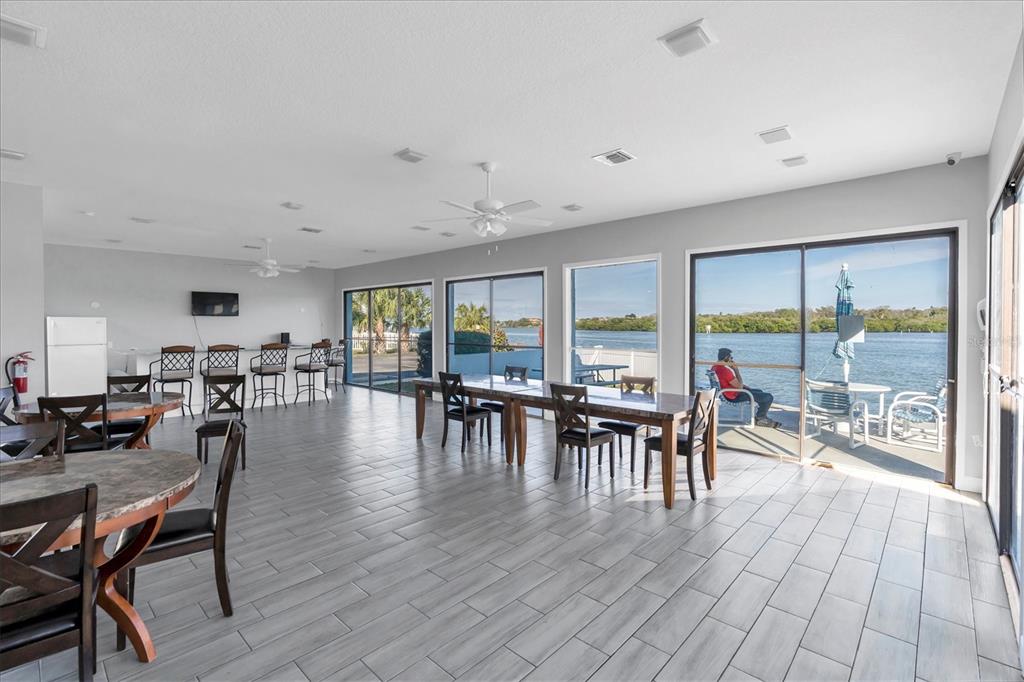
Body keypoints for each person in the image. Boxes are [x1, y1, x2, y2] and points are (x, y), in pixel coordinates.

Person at [711, 348, 780, 428]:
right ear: (726, 357)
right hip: (733, 396)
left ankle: (760, 416)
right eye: (731, 358)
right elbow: (739, 386)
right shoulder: (725, 370)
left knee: (759, 391)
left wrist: (744, 386)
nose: (732, 359)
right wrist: (736, 370)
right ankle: (760, 418)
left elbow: (733, 383)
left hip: (726, 393)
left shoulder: (714, 367)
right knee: (768, 397)